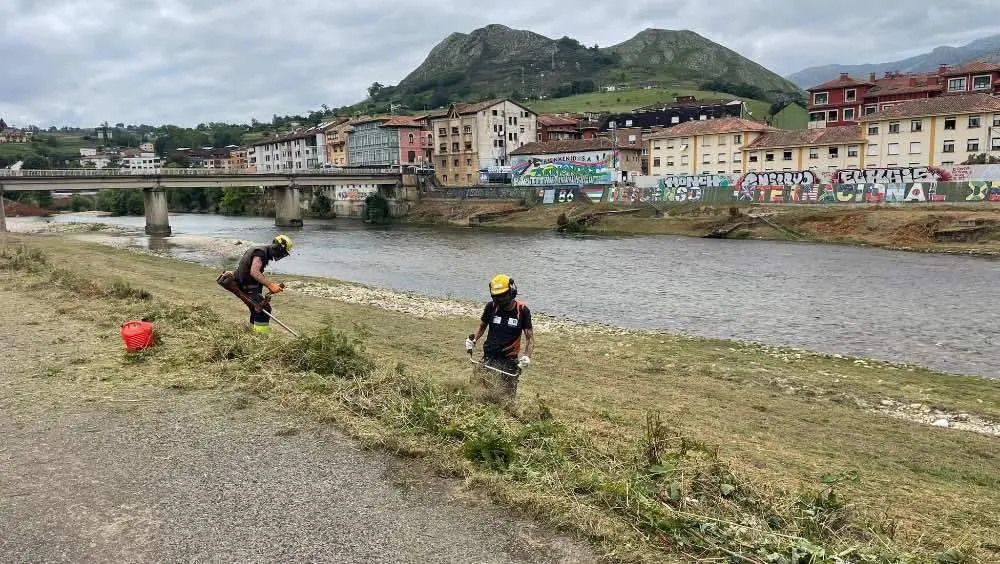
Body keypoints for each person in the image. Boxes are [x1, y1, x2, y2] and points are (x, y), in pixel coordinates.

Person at [466, 274, 534, 400]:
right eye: (496, 298)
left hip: (508, 361)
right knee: (475, 390)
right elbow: (482, 326)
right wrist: (473, 339)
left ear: (512, 292)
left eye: (502, 297)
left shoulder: (522, 310)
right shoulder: (491, 307)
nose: (499, 301)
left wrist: (526, 357)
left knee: (505, 399)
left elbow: (529, 338)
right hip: (489, 357)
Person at [234, 234, 293, 334]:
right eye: (282, 252)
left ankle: (253, 332)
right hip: (247, 285)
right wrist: (270, 285)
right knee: (263, 309)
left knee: (255, 309)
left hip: (248, 283)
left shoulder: (261, 250)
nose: (281, 255)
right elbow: (254, 272)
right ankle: (261, 335)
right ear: (277, 247)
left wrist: (269, 284)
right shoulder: (260, 252)